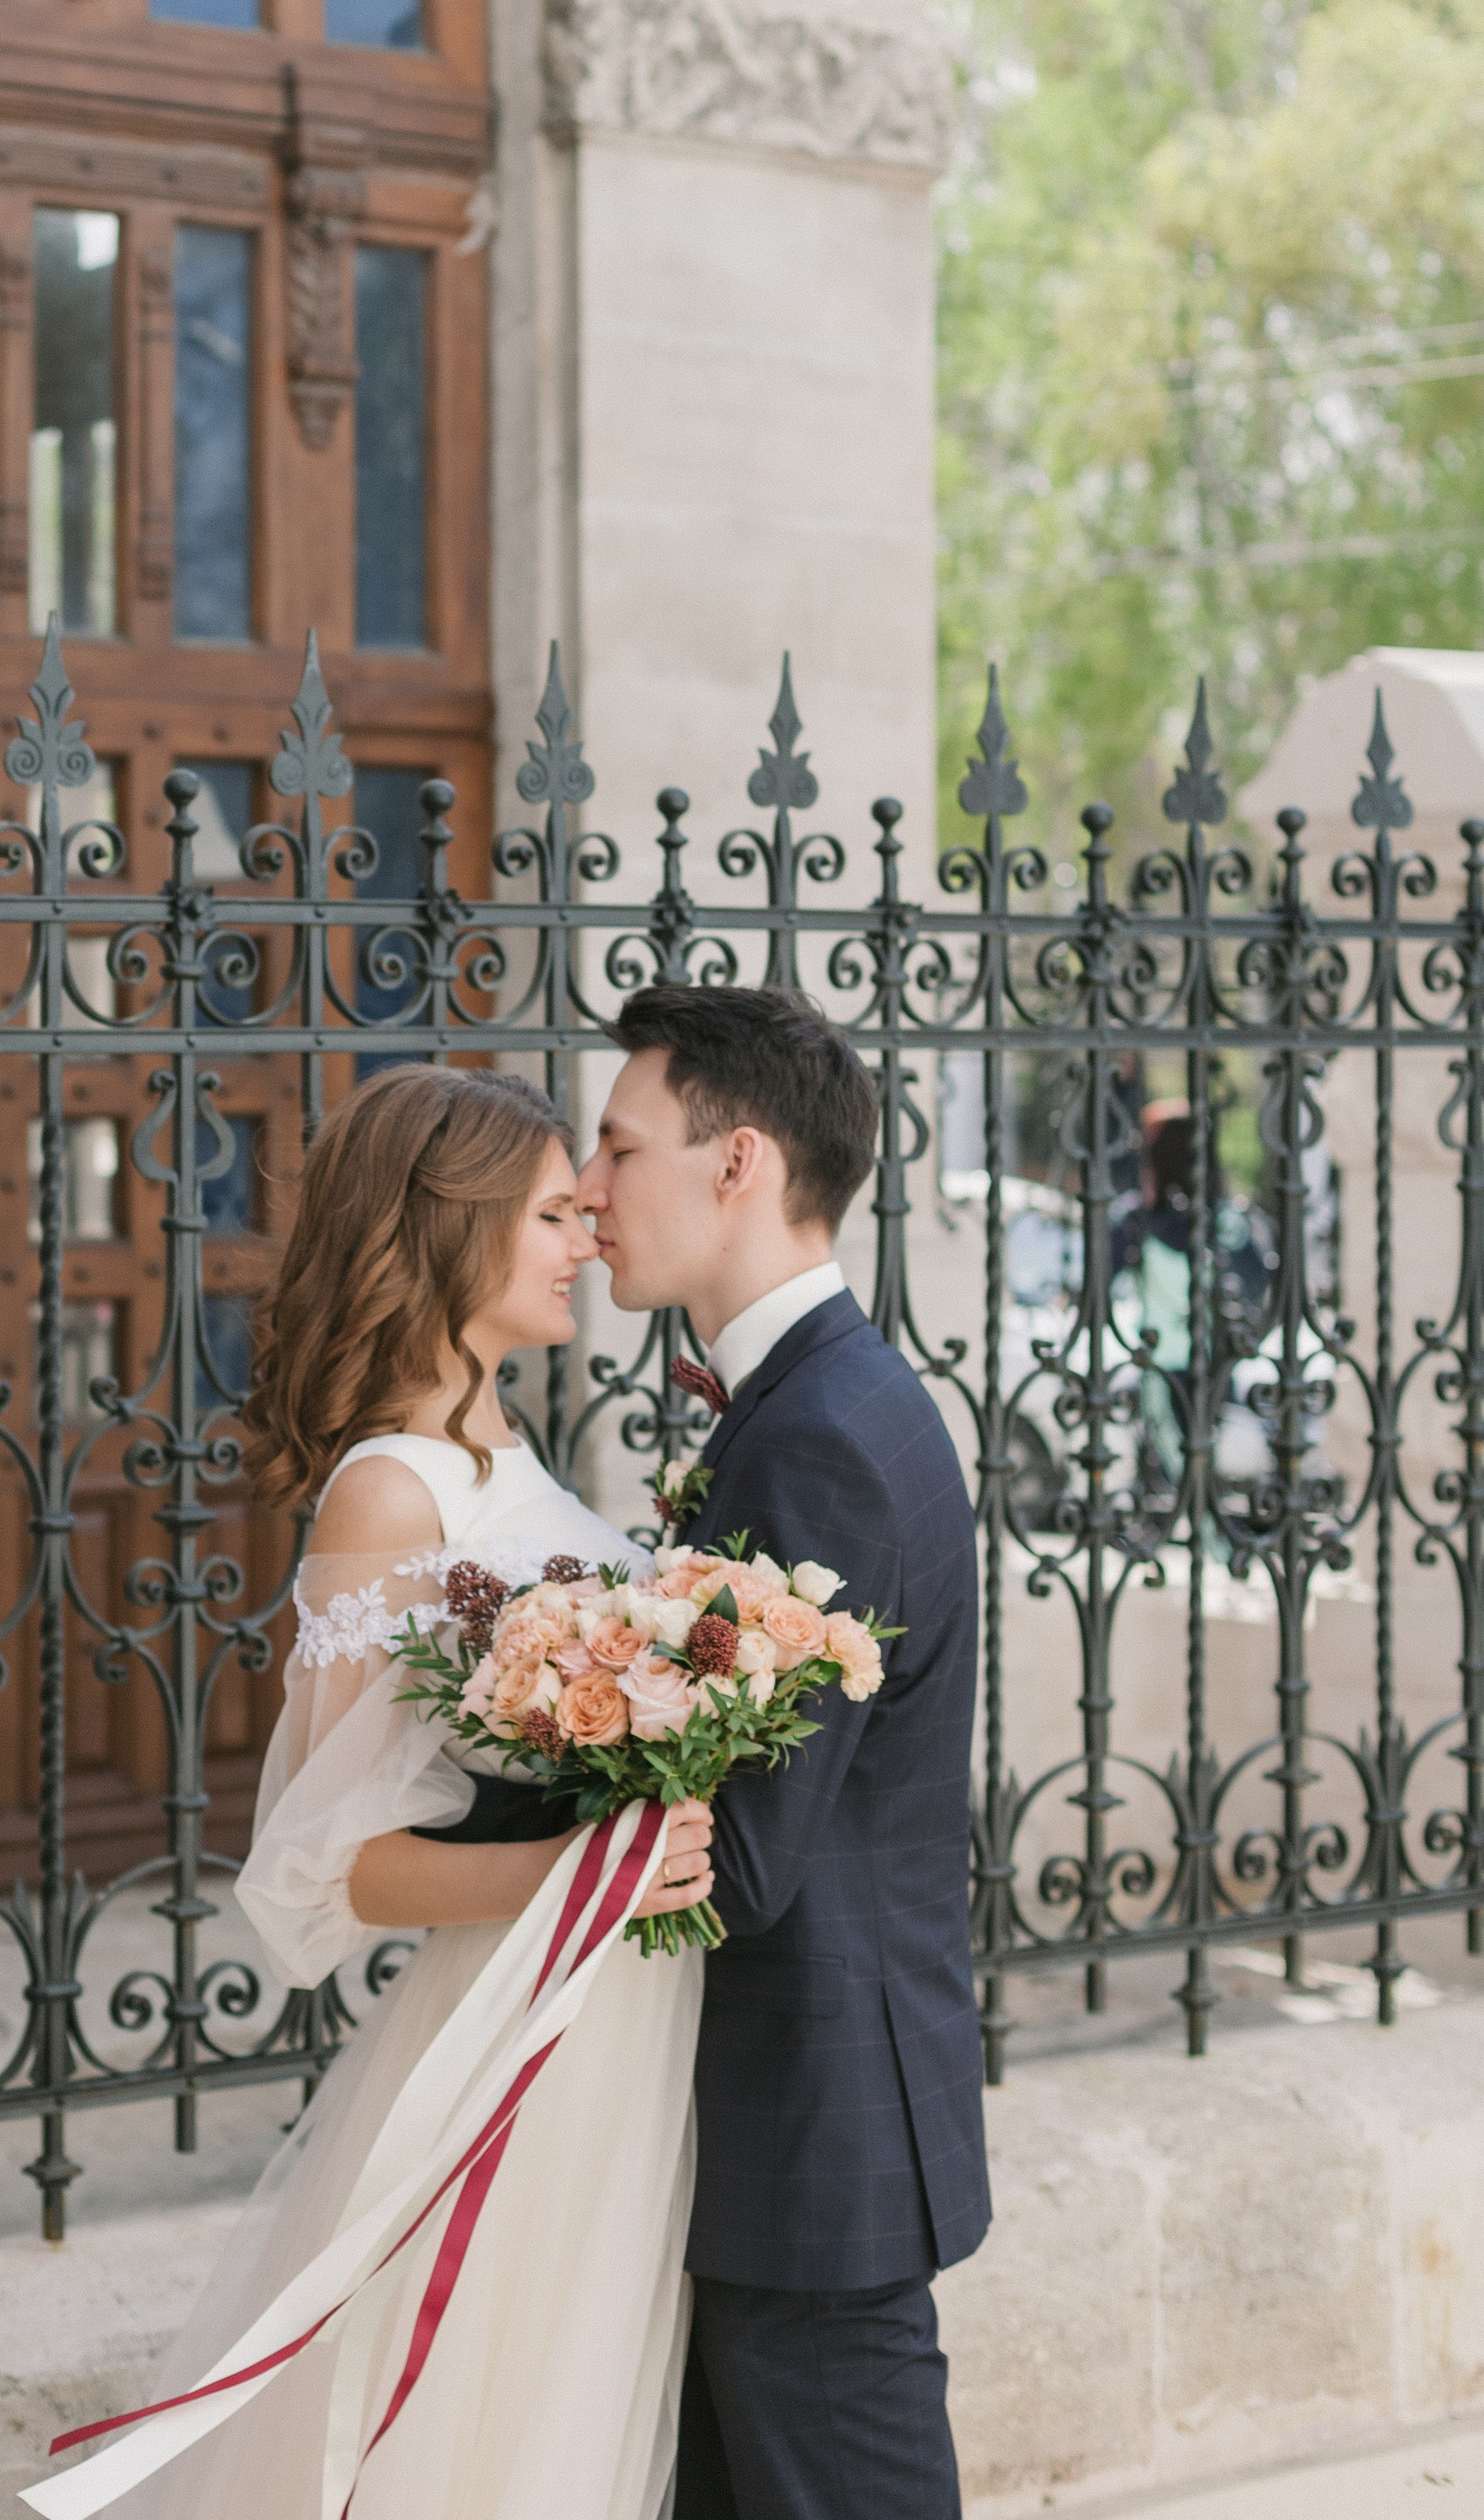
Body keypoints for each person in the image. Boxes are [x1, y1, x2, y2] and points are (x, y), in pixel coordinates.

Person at [24, 1064, 715, 2520]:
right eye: (550, 1214)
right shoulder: (394, 1492)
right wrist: (579, 1877)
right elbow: (327, 1862)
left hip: (613, 2005)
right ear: (449, 1229)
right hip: (520, 2012)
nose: (586, 1233)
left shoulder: (506, 1448)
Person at [582, 981, 989, 2520]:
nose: (589, 1188)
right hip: (791, 2133)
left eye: (621, 1148)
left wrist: (522, 1748)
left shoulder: (817, 1433)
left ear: (737, 1162)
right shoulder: (819, 1399)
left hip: (814, 2149)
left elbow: (741, 1861)